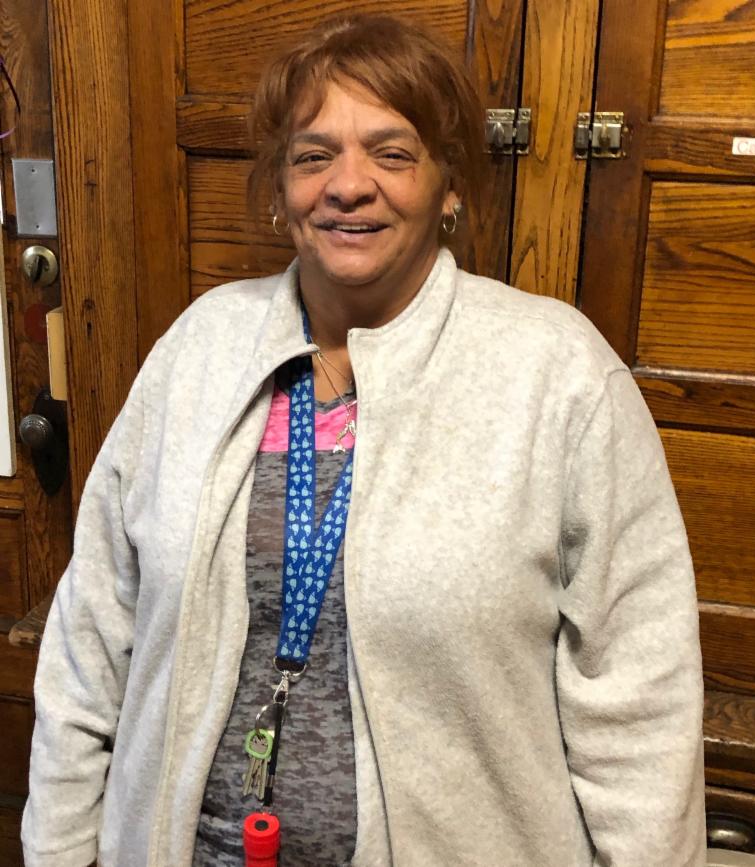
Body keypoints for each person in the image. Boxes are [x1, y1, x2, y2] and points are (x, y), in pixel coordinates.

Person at [22, 13, 706, 867]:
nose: (349, 186)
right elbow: (92, 636)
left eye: (391, 153)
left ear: (448, 185)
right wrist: (59, 849)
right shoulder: (198, 350)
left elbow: (639, 698)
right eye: (314, 156)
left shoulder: (558, 374)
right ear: (279, 189)